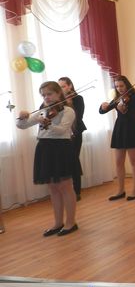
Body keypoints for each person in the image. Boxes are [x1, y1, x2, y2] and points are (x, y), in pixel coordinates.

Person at [16, 81, 78, 236]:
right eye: (43, 95)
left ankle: (71, 223)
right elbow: (22, 126)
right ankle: (58, 223)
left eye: (49, 94)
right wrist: (21, 117)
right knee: (53, 188)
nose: (46, 97)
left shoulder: (68, 110)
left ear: (58, 93)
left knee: (65, 186)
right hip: (45, 148)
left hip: (61, 148)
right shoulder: (42, 111)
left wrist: (47, 123)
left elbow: (62, 130)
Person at [99, 75, 135, 201]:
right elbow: (102, 111)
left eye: (121, 86)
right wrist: (103, 106)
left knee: (133, 161)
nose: (119, 88)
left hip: (132, 129)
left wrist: (122, 109)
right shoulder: (117, 98)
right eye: (117, 86)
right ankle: (120, 190)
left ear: (127, 85)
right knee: (118, 162)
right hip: (120, 129)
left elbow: (131, 115)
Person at [58, 77, 86, 202]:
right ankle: (65, 190)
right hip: (62, 134)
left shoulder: (78, 99)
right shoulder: (58, 100)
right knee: (64, 162)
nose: (61, 89)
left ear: (70, 86)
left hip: (75, 132)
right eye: (59, 86)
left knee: (74, 160)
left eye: (63, 86)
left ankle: (77, 191)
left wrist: (69, 104)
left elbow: (78, 117)